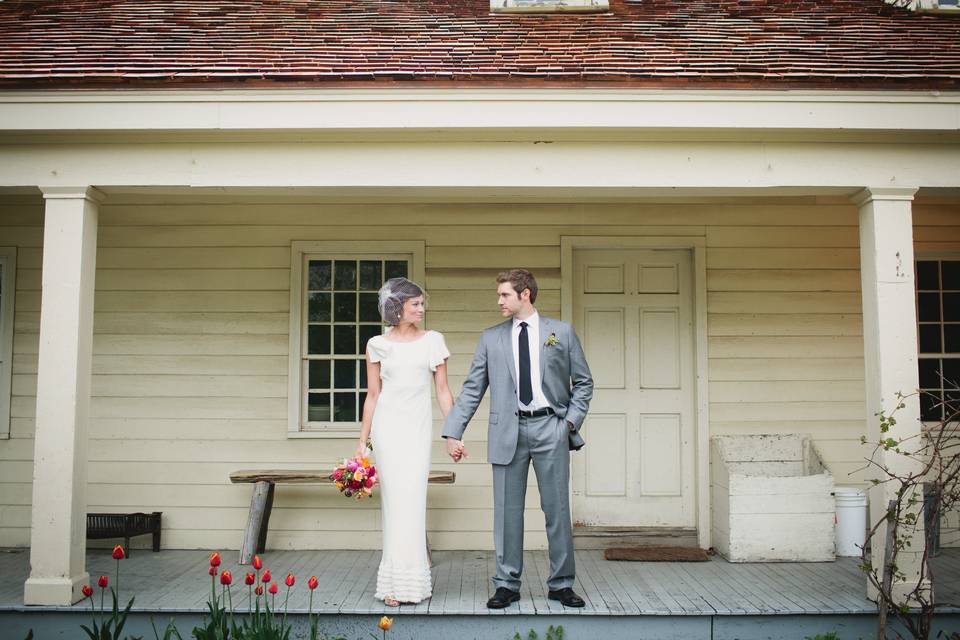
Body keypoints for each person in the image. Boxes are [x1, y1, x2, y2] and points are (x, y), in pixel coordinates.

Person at [442, 269, 593, 609]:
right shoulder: (490, 338)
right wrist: (454, 430)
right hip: (506, 431)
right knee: (507, 513)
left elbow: (583, 382)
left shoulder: (561, 333)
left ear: (525, 294)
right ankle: (507, 584)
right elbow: (472, 389)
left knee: (557, 509)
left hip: (550, 429)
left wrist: (568, 423)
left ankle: (561, 584)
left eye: (505, 295)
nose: (499, 300)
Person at [356, 277, 453, 607]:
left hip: (416, 430)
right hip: (387, 430)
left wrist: (453, 432)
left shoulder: (434, 341)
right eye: (416, 304)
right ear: (397, 308)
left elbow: (442, 391)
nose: (422, 309)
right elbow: (372, 395)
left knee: (412, 500)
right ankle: (393, 585)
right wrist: (362, 441)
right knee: (393, 504)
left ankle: (414, 583)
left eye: (423, 304)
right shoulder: (376, 344)